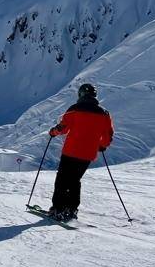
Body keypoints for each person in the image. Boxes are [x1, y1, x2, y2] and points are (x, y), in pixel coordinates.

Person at [47, 83, 114, 222]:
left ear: (80, 95)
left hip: (70, 151)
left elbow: (63, 128)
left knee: (62, 180)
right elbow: (108, 135)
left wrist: (53, 132)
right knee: (74, 180)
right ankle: (71, 210)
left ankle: (58, 209)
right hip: (87, 154)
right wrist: (101, 146)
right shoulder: (104, 113)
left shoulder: (74, 109)